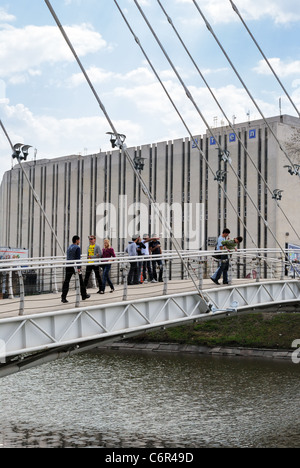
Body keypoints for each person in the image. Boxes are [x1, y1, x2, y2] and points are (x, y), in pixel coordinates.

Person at [61, 235, 90, 303]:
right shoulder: (77, 248)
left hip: (68, 265)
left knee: (66, 281)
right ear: (76, 240)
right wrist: (79, 267)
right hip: (75, 266)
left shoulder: (69, 247)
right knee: (80, 280)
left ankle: (63, 297)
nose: (79, 241)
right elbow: (78, 258)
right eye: (79, 240)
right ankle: (84, 295)